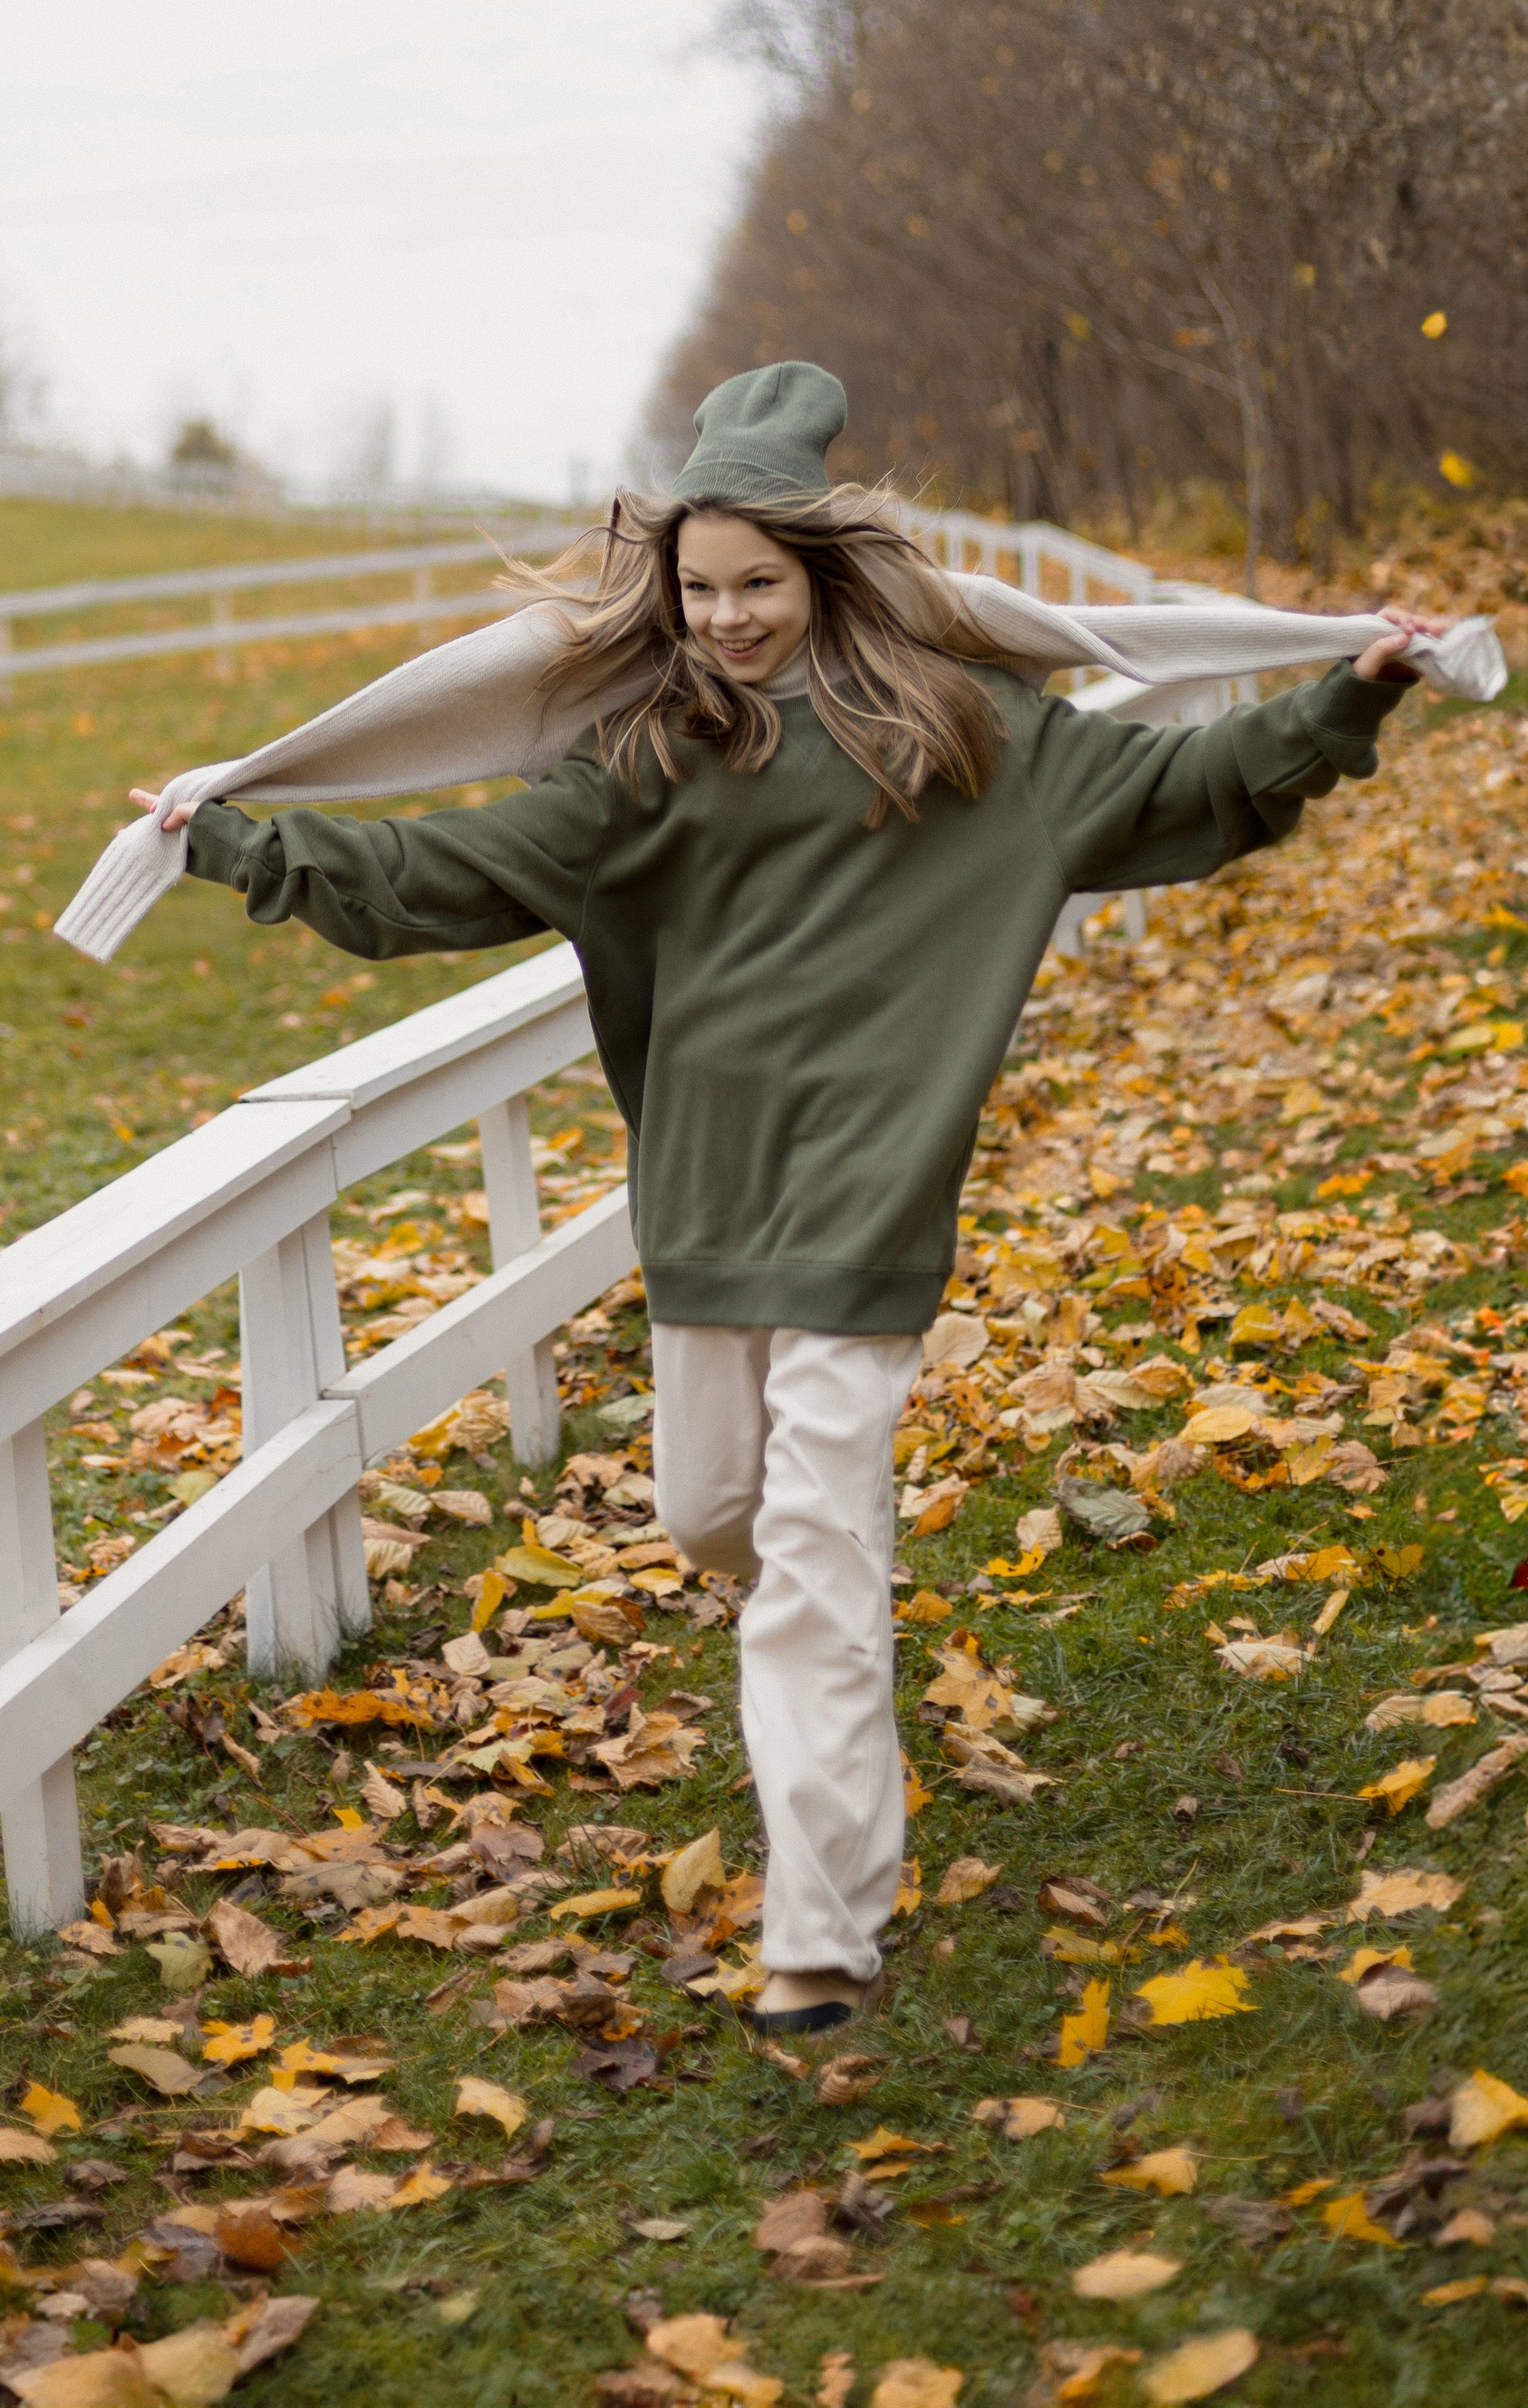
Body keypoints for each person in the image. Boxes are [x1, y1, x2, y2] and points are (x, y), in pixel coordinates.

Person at [130, 364, 1435, 2031]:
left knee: (817, 1546)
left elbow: (1200, 788)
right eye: (699, 589)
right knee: (712, 1516)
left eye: (758, 584)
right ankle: (825, 1666)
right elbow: (444, 875)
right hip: (708, 1202)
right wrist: (242, 846)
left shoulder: (980, 744)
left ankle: (820, 1928)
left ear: (824, 574)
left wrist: (1352, 697)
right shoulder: (647, 766)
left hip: (870, 1198)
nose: (729, 618)